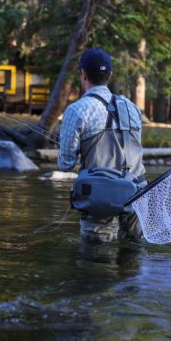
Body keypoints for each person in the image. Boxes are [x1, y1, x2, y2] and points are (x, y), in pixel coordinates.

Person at [57, 48, 146, 242]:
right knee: (133, 260)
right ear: (110, 75)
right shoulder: (132, 108)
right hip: (137, 197)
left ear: (83, 74)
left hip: (101, 201)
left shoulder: (77, 110)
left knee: (97, 263)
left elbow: (66, 164)